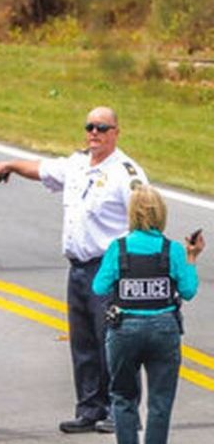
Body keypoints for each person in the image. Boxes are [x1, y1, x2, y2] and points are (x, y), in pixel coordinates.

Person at [0, 106, 146, 434]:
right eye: (90, 127)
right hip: (78, 269)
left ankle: (121, 409)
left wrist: (134, 268)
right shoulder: (77, 165)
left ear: (116, 132)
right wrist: (10, 165)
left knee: (114, 342)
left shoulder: (126, 174)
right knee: (84, 342)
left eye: (102, 127)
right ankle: (90, 408)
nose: (95, 133)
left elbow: (147, 218)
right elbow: (42, 169)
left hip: (111, 268)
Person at [92, 186, 204, 444]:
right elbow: (187, 291)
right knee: (160, 402)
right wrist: (191, 257)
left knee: (123, 397)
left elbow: (99, 287)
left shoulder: (118, 248)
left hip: (125, 328)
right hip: (164, 328)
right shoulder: (172, 249)